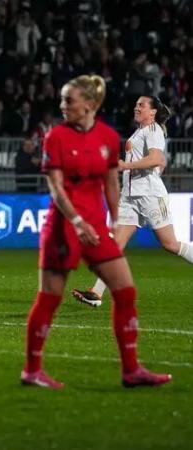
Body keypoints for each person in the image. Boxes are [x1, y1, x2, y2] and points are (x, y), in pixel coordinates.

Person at [22, 75, 172, 389]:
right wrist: (77, 222)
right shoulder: (56, 137)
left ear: (89, 105)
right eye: (63, 100)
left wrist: (116, 218)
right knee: (49, 298)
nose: (63, 106)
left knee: (126, 291)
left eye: (69, 100)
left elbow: (109, 182)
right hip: (64, 227)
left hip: (96, 228)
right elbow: (56, 187)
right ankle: (32, 370)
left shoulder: (107, 136)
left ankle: (131, 370)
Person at [72, 96, 193, 307]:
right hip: (130, 197)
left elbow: (156, 158)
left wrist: (125, 166)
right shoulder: (140, 131)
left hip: (150, 196)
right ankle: (96, 293)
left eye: (141, 105)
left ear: (153, 112)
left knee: (170, 244)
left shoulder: (153, 130)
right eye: (136, 104)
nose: (136, 107)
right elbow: (157, 161)